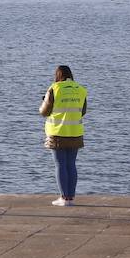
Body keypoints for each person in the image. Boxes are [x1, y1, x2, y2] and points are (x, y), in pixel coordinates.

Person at [39, 65, 88, 206]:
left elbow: (44, 111)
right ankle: (71, 197)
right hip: (75, 132)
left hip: (57, 132)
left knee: (60, 164)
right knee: (71, 164)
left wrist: (44, 101)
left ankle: (63, 198)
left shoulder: (54, 88)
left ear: (58, 75)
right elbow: (82, 111)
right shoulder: (81, 89)